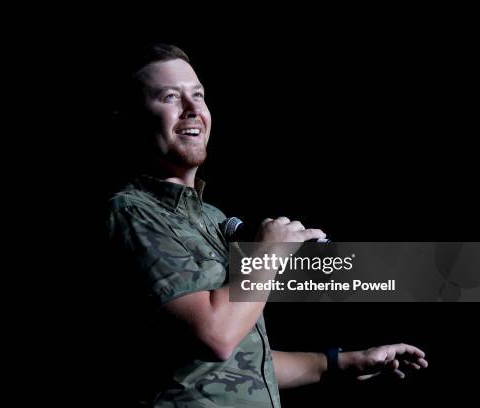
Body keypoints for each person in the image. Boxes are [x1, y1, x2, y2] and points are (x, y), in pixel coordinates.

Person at [105, 44, 428, 407]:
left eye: (198, 95)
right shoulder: (131, 212)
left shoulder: (210, 217)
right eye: (170, 97)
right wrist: (268, 254)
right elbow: (217, 335)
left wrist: (342, 362)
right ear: (130, 117)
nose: (194, 110)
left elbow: (235, 362)